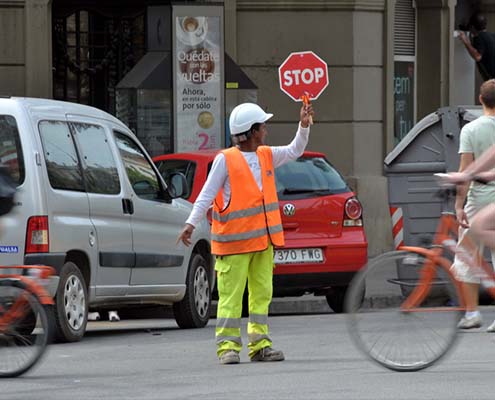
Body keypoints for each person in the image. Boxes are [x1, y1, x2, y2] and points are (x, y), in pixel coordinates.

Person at [177, 101, 314, 364]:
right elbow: (206, 194)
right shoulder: (225, 160)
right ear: (252, 132)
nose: (266, 130)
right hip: (233, 245)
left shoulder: (266, 154)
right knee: (231, 298)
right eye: (263, 126)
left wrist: (304, 126)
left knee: (261, 294)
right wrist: (191, 223)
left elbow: (295, 150)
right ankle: (227, 347)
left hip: (263, 243)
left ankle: (259, 345)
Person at [448, 79, 495, 331]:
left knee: (467, 254)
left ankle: (472, 312)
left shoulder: (471, 129)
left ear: (480, 100)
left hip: (478, 200)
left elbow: (465, 170)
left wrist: (458, 204)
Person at [458, 13, 495, 81]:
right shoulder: (492, 35)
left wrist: (466, 41)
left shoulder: (479, 37)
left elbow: (477, 56)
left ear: (472, 27)